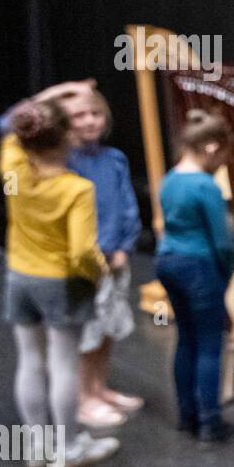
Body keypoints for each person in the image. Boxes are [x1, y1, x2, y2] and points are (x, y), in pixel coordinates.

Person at [0, 98, 119, 467]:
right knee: (64, 364)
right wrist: (101, 274)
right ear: (66, 137)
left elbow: (9, 126)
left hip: (19, 277)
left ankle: (37, 446)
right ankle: (67, 449)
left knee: (30, 360)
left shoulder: (14, 166)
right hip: (60, 284)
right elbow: (83, 252)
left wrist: (60, 93)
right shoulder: (76, 190)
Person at [155, 109, 234, 446]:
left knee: (185, 339)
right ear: (211, 148)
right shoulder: (206, 186)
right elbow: (222, 241)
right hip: (199, 267)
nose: (222, 163)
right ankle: (210, 423)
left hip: (167, 263)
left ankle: (186, 415)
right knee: (209, 344)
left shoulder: (170, 178)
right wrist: (229, 274)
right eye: (223, 156)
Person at [62, 84, 143, 427]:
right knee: (87, 334)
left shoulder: (115, 159)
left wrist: (124, 247)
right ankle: (83, 398)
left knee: (107, 329)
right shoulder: (63, 163)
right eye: (79, 115)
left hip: (115, 260)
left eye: (95, 113)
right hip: (84, 266)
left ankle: (99, 387)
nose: (90, 121)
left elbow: (128, 207)